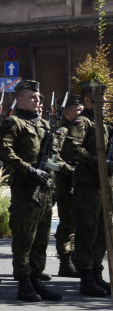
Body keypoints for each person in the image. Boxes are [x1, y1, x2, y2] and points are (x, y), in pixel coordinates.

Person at [0, 79, 63, 302]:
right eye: (33, 97)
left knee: (42, 238)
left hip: (44, 189)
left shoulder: (43, 125)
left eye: (38, 97)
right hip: (25, 189)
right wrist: (29, 170)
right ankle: (24, 283)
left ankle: (36, 280)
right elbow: (5, 152)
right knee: (25, 238)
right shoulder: (12, 123)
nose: (37, 100)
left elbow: (52, 155)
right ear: (21, 99)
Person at [63, 83, 112, 297]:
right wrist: (97, 162)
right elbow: (71, 148)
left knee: (102, 232)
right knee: (87, 232)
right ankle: (86, 277)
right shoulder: (83, 122)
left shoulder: (105, 124)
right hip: (88, 185)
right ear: (88, 100)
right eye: (101, 98)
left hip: (103, 186)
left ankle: (96, 273)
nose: (105, 102)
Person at [53, 94, 84, 279]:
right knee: (68, 223)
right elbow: (54, 155)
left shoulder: (81, 130)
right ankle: (66, 262)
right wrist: (69, 169)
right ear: (66, 111)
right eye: (77, 110)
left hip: (81, 184)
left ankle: (76, 259)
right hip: (67, 183)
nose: (81, 113)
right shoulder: (62, 131)